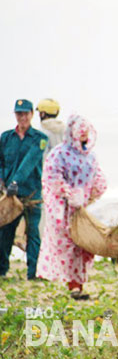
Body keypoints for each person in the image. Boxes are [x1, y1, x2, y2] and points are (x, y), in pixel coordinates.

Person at [36, 115, 107, 299]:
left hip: (82, 210)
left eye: (86, 132)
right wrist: (69, 193)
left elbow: (97, 177)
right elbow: (52, 177)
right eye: (80, 132)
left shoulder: (89, 155)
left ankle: (79, 285)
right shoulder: (59, 153)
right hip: (64, 209)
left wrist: (93, 193)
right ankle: (73, 286)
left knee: (82, 246)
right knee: (68, 246)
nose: (84, 135)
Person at [0, 99, 48, 279]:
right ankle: (2, 270)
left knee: (33, 233)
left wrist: (16, 182)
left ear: (32, 115)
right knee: (5, 232)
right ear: (15, 115)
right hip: (9, 196)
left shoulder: (40, 139)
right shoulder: (5, 137)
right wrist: (2, 180)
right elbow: (1, 162)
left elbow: (30, 162)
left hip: (31, 193)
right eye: (19, 113)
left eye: (25, 113)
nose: (22, 117)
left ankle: (33, 273)